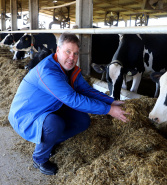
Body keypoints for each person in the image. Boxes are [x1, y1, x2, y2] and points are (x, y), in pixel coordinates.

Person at [8, 32, 129, 175]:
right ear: (58, 50)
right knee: (54, 124)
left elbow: (86, 90)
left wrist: (111, 101)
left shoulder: (70, 70)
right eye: (68, 52)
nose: (72, 58)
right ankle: (39, 158)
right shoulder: (48, 72)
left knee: (82, 120)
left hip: (50, 107)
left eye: (76, 53)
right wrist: (109, 110)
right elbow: (73, 99)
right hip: (27, 115)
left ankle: (49, 141)